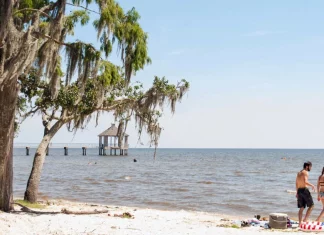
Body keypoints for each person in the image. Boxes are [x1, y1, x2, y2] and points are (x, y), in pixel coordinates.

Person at [296, 161, 316, 226]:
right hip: (304, 190)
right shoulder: (305, 172)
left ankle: (300, 223)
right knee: (311, 205)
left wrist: (297, 192)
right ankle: (305, 220)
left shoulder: (299, 173)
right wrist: (312, 185)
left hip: (299, 191)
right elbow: (305, 182)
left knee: (301, 208)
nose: (311, 168)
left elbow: (296, 183)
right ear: (307, 166)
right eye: (310, 166)